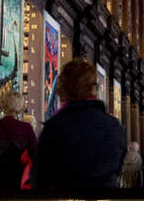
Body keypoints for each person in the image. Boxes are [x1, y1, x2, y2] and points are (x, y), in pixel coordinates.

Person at [33, 58, 126, 188]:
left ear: (63, 90)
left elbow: (41, 180)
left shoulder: (54, 128)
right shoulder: (113, 127)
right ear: (93, 88)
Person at [0, 89, 36, 191]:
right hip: (17, 181)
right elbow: (35, 157)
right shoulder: (26, 129)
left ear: (2, 105)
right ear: (20, 106)